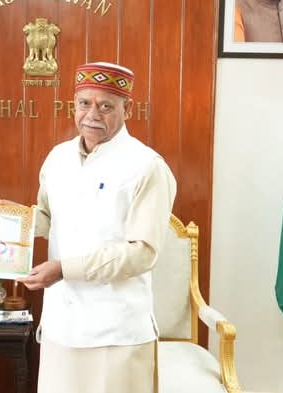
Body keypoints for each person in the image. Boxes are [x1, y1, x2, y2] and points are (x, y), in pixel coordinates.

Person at [17, 62, 177, 393]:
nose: (92, 114)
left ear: (127, 109)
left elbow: (142, 254)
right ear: (73, 105)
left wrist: (64, 269)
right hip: (61, 326)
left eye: (106, 106)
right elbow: (44, 218)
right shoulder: (58, 158)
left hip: (117, 333)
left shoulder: (147, 166)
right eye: (84, 103)